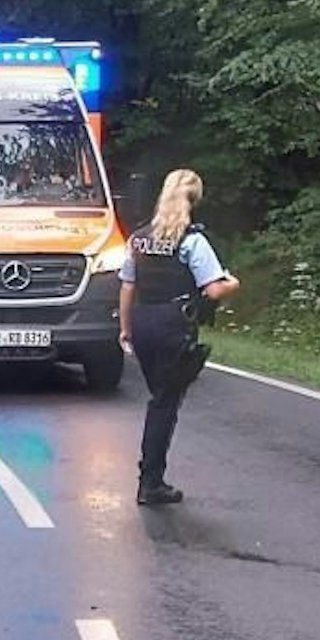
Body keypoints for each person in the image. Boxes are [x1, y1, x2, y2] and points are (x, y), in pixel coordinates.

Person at [118, 168, 240, 505]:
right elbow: (213, 290)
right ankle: (150, 482)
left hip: (143, 321)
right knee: (164, 404)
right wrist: (234, 284)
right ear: (194, 201)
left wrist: (126, 328)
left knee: (160, 398)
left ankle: (152, 477)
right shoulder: (192, 240)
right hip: (174, 324)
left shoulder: (139, 238)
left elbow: (128, 286)